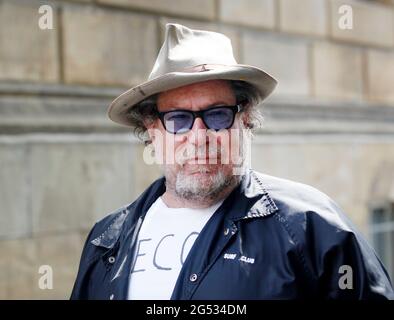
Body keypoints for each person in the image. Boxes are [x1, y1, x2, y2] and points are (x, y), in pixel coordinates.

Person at [70, 23, 393, 300]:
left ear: (245, 121)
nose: (199, 137)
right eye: (179, 119)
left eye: (217, 115)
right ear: (153, 131)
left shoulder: (313, 228)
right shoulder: (106, 241)